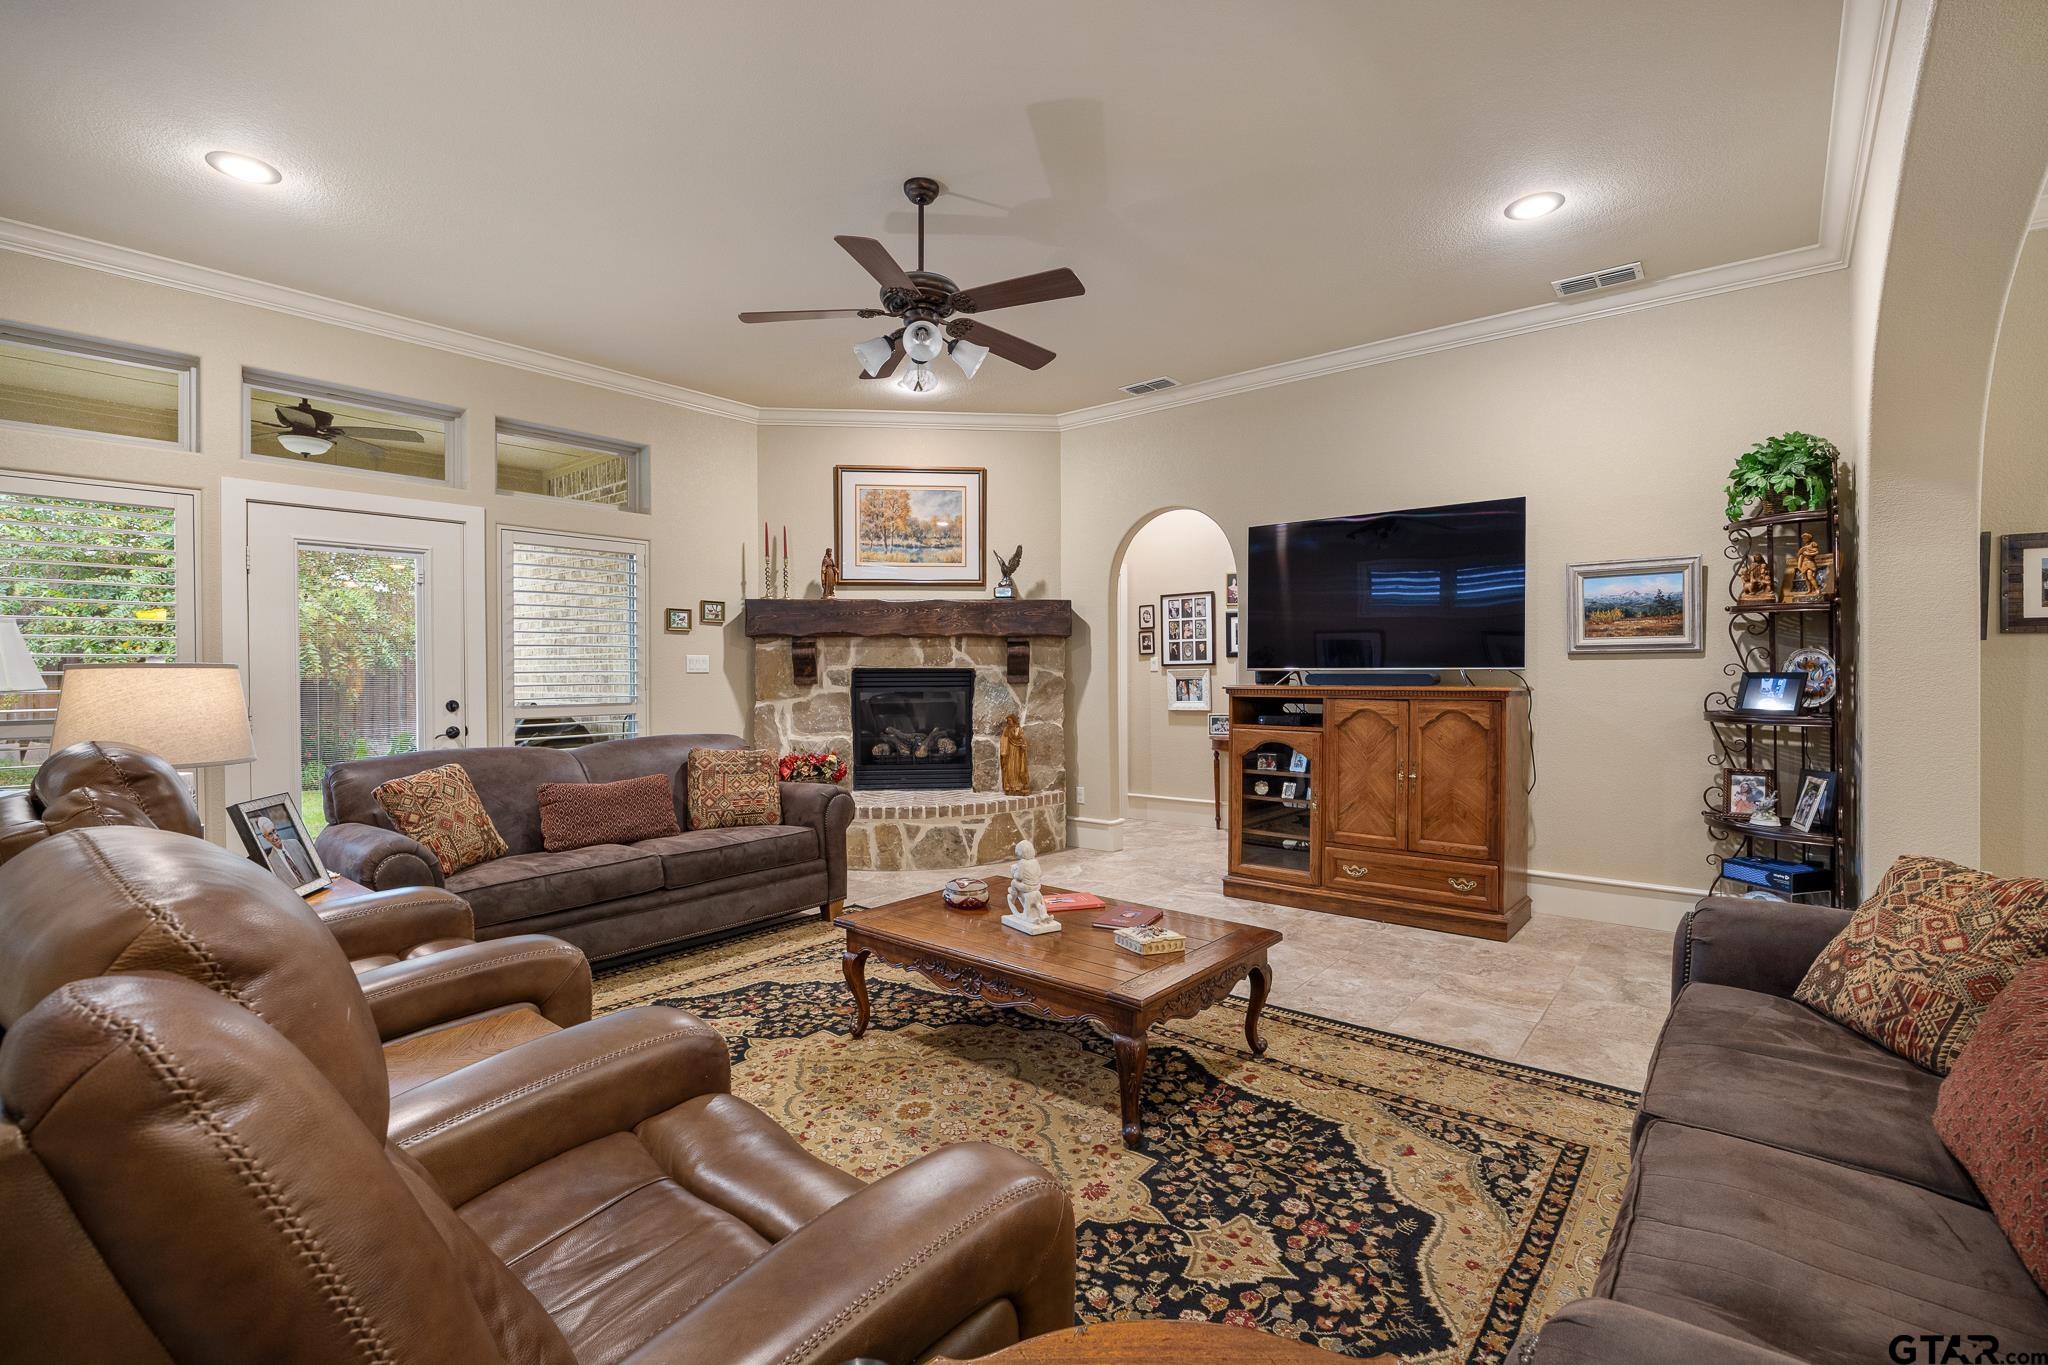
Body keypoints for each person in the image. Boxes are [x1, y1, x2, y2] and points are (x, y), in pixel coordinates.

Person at [254, 813, 318, 887]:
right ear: (265, 837)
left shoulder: (295, 844)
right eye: (270, 834)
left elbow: (314, 869)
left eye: (274, 831)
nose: (275, 837)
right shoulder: (271, 861)